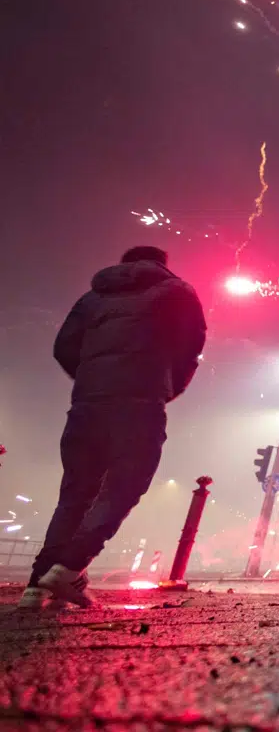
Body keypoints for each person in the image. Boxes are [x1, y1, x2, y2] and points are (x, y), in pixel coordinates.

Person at [20, 246, 206, 610]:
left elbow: (63, 348)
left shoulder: (92, 297)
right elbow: (191, 346)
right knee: (124, 488)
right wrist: (168, 387)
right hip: (139, 404)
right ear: (160, 265)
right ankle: (70, 566)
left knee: (74, 495)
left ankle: (35, 588)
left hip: (87, 406)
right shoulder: (177, 291)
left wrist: (93, 379)